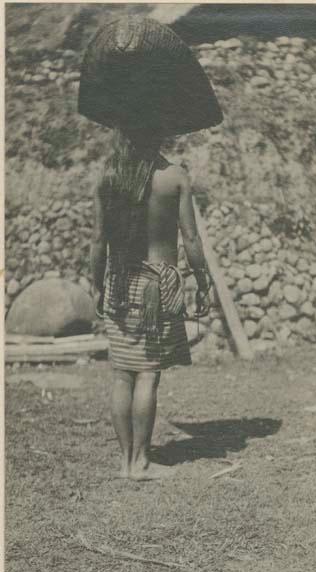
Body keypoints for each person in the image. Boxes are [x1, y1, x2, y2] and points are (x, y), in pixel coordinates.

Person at [90, 127, 209, 481]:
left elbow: (98, 240)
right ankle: (141, 462)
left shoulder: (109, 176)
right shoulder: (174, 177)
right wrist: (203, 282)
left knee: (122, 375)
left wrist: (97, 286)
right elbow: (190, 237)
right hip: (158, 286)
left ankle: (125, 460)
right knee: (147, 375)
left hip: (119, 282)